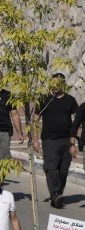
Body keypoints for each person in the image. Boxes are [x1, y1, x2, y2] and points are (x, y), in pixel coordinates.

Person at [32, 73, 77, 209]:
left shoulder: (70, 100)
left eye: (58, 83)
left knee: (63, 170)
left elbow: (76, 120)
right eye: (53, 83)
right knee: (51, 168)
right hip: (49, 139)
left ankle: (56, 195)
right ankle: (56, 193)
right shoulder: (44, 99)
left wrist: (73, 142)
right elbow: (35, 119)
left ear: (63, 84)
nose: (55, 86)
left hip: (66, 139)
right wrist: (35, 139)